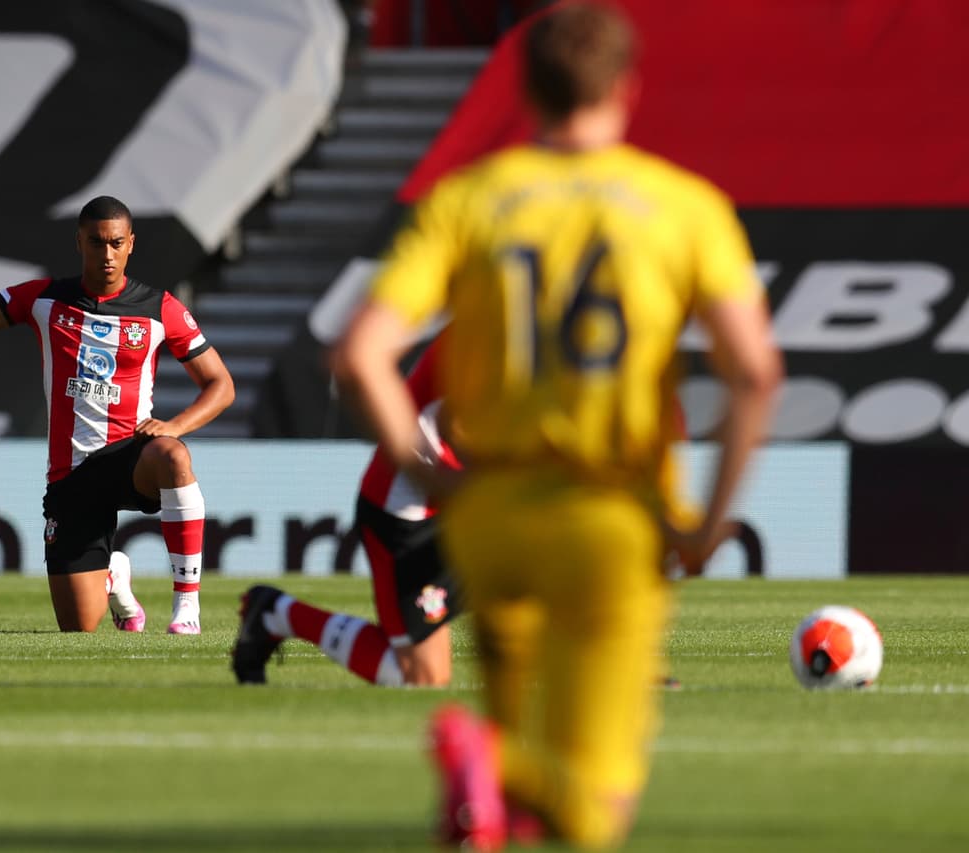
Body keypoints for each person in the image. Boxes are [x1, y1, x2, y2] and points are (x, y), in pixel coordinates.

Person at [331, 3, 782, 850]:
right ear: (628, 88)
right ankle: (484, 755)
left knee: (517, 807)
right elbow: (755, 373)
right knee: (597, 809)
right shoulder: (682, 206)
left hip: (492, 518)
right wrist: (710, 521)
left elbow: (360, 354)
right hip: (610, 518)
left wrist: (429, 477)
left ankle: (491, 771)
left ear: (527, 88)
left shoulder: (469, 199)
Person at [0, 193, 235, 634]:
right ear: (79, 242)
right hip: (71, 477)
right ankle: (113, 577)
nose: (106, 254)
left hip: (130, 458)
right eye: (96, 242)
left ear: (131, 244)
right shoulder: (45, 299)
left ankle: (186, 607)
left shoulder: (159, 309)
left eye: (116, 243)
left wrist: (173, 426)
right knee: (79, 628)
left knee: (173, 454)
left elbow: (221, 385)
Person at [232, 334, 463, 687]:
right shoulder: (490, 331)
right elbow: (460, 425)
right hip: (409, 510)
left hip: (460, 503)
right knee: (421, 677)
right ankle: (276, 614)